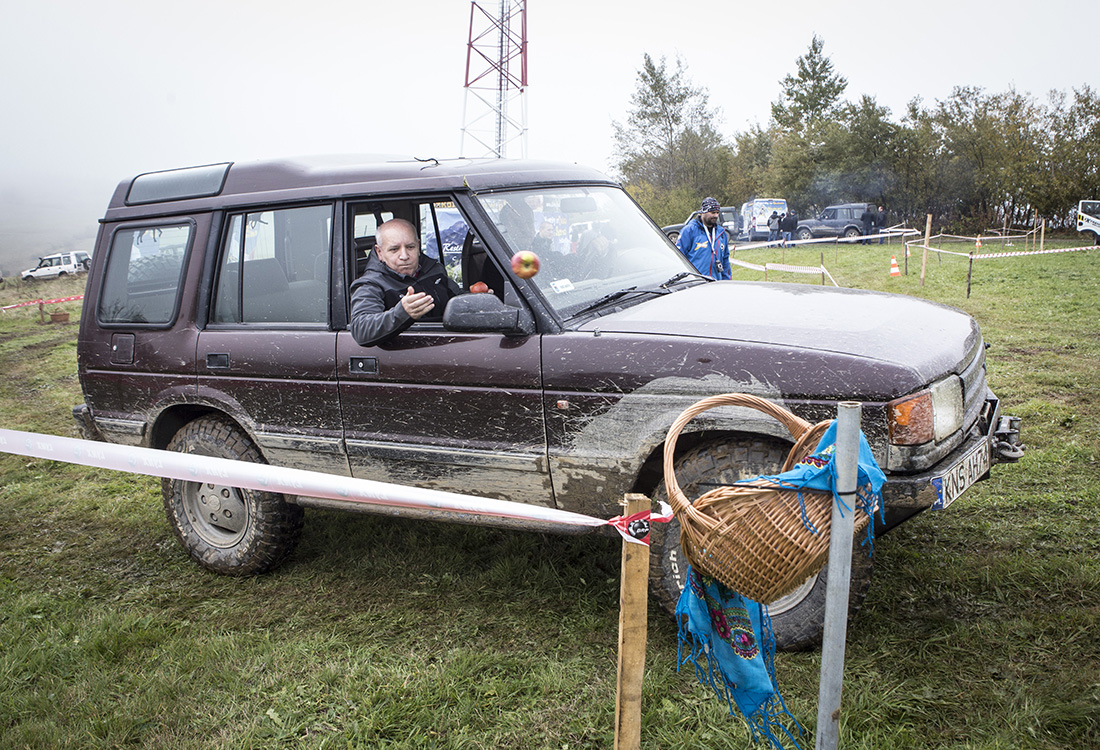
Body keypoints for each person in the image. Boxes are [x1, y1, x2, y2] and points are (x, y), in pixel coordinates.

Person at [349, 218, 460, 346]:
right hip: (403, 353)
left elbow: (460, 302)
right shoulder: (371, 284)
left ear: (418, 246)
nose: (404, 256)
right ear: (380, 252)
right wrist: (402, 312)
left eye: (410, 247)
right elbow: (361, 330)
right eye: (394, 249)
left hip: (449, 344)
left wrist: (475, 297)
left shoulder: (434, 270)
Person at [675, 197, 731, 280]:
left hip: (716, 282)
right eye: (712, 212)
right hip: (695, 282)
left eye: (717, 212)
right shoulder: (689, 230)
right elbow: (678, 257)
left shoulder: (721, 233)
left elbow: (725, 261)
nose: (716, 215)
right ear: (703, 212)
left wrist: (727, 281)